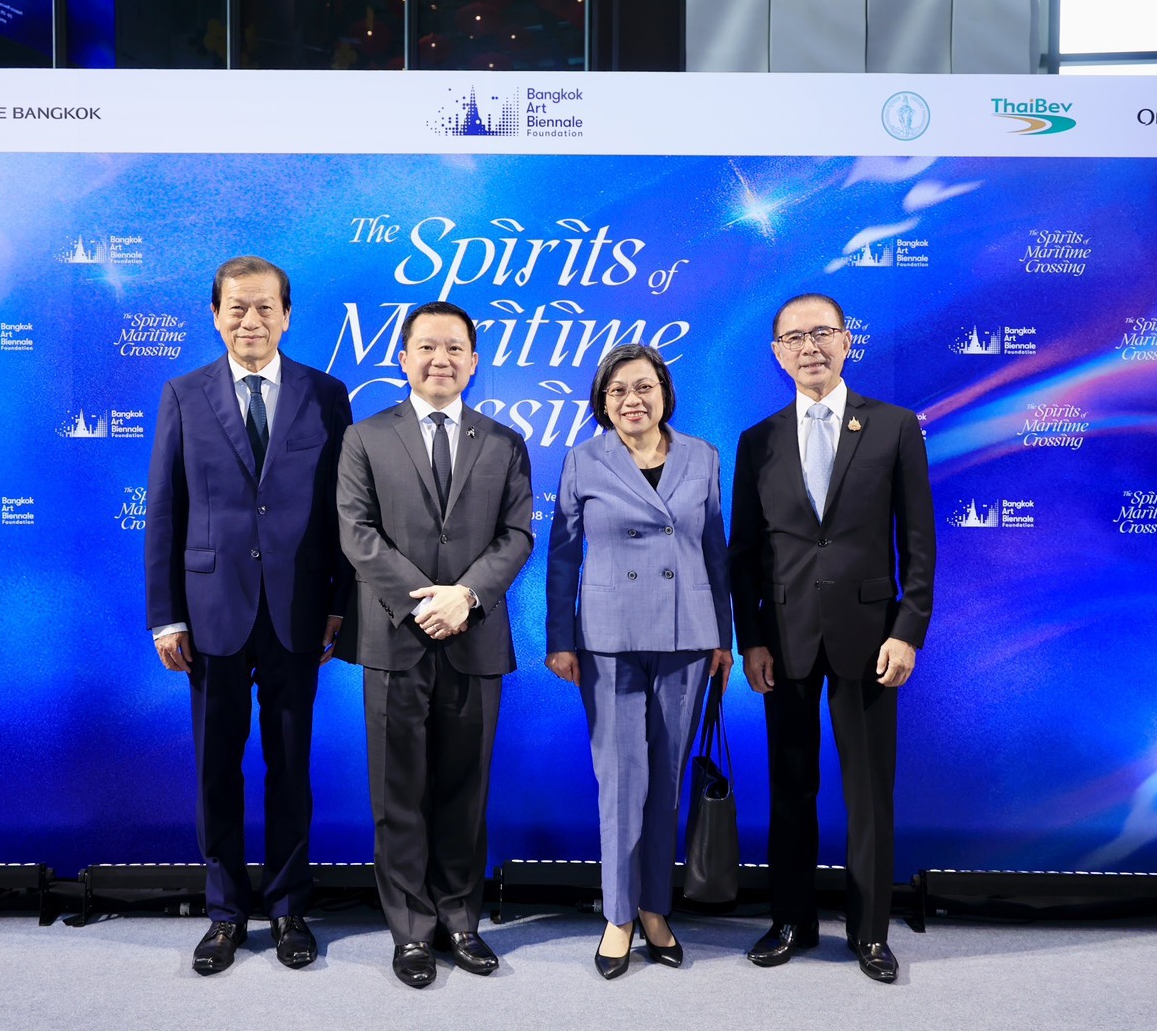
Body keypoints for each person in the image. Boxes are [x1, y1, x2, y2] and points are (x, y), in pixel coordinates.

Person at [145, 256, 352, 976]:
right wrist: (166, 616)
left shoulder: (326, 395)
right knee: (216, 769)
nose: (251, 320)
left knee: (290, 767)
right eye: (236, 308)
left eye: (265, 307)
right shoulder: (183, 394)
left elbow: (343, 509)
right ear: (215, 315)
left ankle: (290, 907)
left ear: (286, 316)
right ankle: (225, 912)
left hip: (299, 611)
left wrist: (339, 602)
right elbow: (164, 510)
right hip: (211, 613)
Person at [729, 293, 935, 984]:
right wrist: (751, 639)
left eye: (822, 333)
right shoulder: (757, 440)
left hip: (871, 638)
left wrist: (907, 631)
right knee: (791, 786)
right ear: (777, 353)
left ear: (847, 341)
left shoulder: (894, 426)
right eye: (794, 338)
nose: (809, 347)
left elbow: (920, 542)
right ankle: (791, 920)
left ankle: (870, 931)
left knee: (869, 793)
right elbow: (743, 554)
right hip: (784, 639)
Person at [334, 301, 534, 989]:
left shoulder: (505, 442)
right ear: (403, 357)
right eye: (426, 347)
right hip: (396, 637)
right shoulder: (364, 437)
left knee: (464, 791)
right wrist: (425, 602)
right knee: (397, 795)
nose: (440, 359)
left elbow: (517, 535)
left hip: (474, 638)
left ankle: (460, 920)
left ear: (474, 362)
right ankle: (411, 932)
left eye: (454, 348)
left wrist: (466, 596)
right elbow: (356, 532)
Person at [545, 344, 734, 979]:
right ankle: (619, 915)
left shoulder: (703, 456)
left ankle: (656, 908)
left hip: (687, 636)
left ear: (664, 393)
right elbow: (563, 555)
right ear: (602, 402)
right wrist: (560, 637)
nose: (633, 399)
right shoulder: (583, 459)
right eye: (618, 390)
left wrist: (723, 636)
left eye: (644, 386)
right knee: (621, 783)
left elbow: (715, 551)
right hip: (608, 638)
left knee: (667, 782)